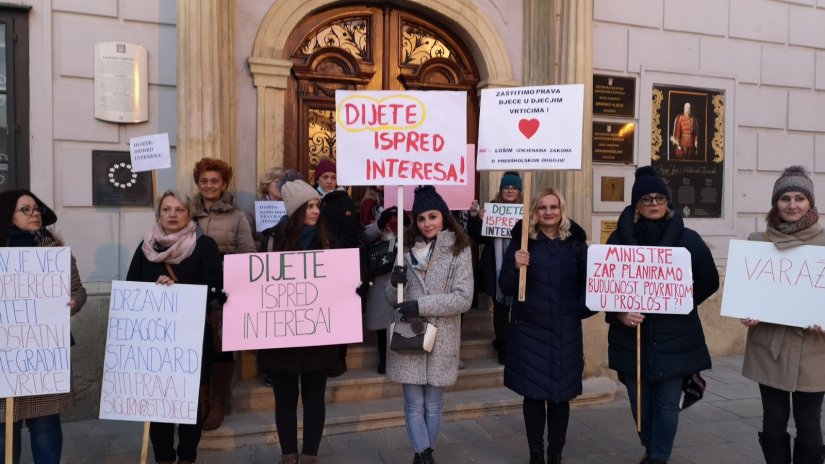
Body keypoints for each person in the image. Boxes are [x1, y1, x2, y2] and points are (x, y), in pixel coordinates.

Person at [605, 166, 719, 464]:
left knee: (667, 404)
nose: (654, 203)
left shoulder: (689, 239)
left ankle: (658, 458)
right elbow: (604, 287)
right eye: (646, 199)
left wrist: (680, 300)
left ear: (668, 201)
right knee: (639, 405)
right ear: (636, 205)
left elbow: (709, 280)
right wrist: (619, 313)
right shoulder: (618, 240)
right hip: (632, 338)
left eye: (659, 198)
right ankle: (650, 445)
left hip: (676, 338)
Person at [126, 190, 223, 464]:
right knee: (159, 405)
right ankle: (164, 458)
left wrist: (179, 290)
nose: (172, 214)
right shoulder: (145, 247)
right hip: (154, 340)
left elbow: (214, 288)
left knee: (190, 404)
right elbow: (132, 286)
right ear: (159, 213)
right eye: (167, 209)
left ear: (189, 213)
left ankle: (187, 457)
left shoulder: (205, 246)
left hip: (190, 338)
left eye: (179, 209)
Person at [498, 188, 592, 464]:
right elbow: (505, 288)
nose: (548, 212)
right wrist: (515, 266)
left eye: (554, 207)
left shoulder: (575, 244)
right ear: (534, 212)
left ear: (562, 211)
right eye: (542, 208)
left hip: (565, 331)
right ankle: (536, 453)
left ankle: (555, 453)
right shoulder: (524, 243)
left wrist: (577, 312)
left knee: (561, 397)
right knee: (534, 395)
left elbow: (592, 286)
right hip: (530, 329)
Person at [740, 166, 825, 464]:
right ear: (775, 203)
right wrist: (747, 312)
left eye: (799, 198)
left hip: (815, 351)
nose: (792, 204)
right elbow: (747, 294)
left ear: (810, 203)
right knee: (773, 423)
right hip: (770, 347)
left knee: (810, 426)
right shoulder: (758, 241)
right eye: (785, 198)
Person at [387, 185, 474, 464]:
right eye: (422, 218)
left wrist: (421, 305)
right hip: (409, 333)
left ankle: (424, 454)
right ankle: (424, 455)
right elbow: (392, 299)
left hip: (442, 335)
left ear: (444, 217)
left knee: (433, 404)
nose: (427, 224)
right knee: (414, 405)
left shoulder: (459, 248)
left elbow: (463, 299)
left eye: (432, 217)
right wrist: (393, 284)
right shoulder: (404, 245)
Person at [0, 190, 87, 464]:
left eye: (36, 208)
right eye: (25, 209)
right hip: (5, 353)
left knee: (46, 422)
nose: (35, 213)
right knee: (4, 425)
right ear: (7, 216)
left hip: (44, 351)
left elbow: (78, 290)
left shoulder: (54, 250)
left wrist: (74, 301)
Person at [258, 180, 340, 464]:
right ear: (295, 211)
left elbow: (344, 283)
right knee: (285, 399)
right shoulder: (270, 241)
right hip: (282, 336)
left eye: (318, 205)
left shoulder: (330, 242)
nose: (316, 211)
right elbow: (257, 288)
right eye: (310, 206)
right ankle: (288, 454)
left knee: (315, 398)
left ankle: (310, 455)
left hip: (317, 334)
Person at [191, 157, 256, 431]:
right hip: (192, 289)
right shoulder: (187, 212)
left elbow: (249, 254)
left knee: (222, 347)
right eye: (204, 180)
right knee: (197, 346)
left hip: (224, 291)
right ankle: (201, 398)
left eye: (214, 180)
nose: (209, 185)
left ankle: (218, 400)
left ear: (224, 184)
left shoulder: (237, 216)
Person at [467, 171, 523, 364]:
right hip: (496, 268)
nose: (509, 190)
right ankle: (503, 347)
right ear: (501, 190)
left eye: (514, 187)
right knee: (500, 310)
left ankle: (516, 345)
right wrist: (476, 218)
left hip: (518, 269)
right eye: (506, 187)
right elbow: (478, 238)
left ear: (519, 191)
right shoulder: (491, 210)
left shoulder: (527, 211)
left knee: (518, 310)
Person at [313, 157, 360, 376]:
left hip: (340, 264)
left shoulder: (345, 201)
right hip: (316, 265)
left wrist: (338, 251)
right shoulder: (312, 200)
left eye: (333, 177)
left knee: (339, 312)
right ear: (317, 178)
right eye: (325, 177)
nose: (329, 181)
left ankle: (340, 357)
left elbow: (351, 232)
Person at [361, 205, 401, 374]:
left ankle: (397, 360)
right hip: (378, 280)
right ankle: (384, 359)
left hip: (398, 279)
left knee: (398, 322)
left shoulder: (403, 226)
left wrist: (395, 233)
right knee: (382, 323)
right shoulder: (372, 215)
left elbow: (405, 242)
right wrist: (380, 224)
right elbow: (365, 236)